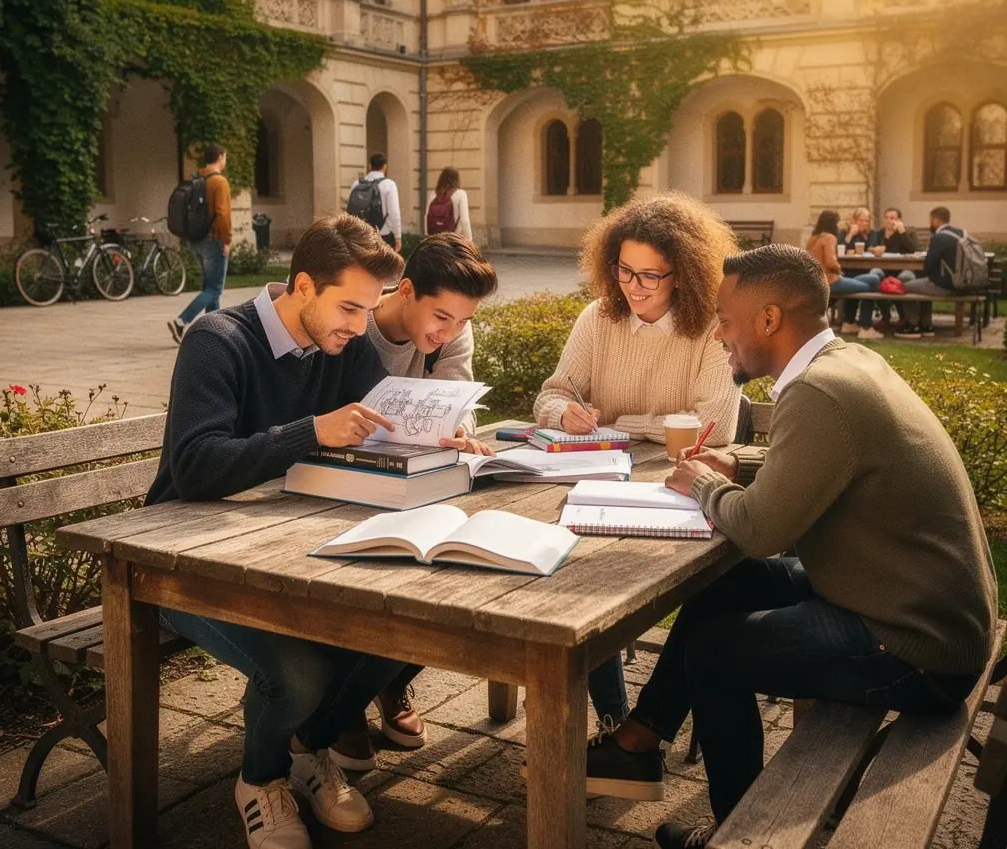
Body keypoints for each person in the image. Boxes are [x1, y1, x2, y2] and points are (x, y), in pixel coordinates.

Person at [581, 244, 996, 849]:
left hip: (918, 648)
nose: (718, 335)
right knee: (721, 583)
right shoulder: (845, 363)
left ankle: (737, 835)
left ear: (769, 319)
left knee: (715, 652)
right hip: (908, 602)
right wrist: (740, 462)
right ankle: (640, 741)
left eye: (725, 320)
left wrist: (705, 484)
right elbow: (823, 458)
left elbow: (759, 531)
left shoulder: (818, 393)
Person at [149, 214, 411, 849]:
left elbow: (388, 420)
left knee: (397, 635)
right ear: (304, 286)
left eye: (368, 309)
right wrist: (312, 431)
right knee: (297, 676)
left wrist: (437, 434)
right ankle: (261, 780)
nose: (360, 327)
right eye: (349, 307)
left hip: (281, 551)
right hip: (176, 563)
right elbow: (195, 467)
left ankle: (306, 750)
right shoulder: (217, 340)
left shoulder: (342, 344)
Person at [533, 192, 741, 730]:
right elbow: (551, 394)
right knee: (570, 567)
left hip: (675, 489)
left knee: (592, 576)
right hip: (598, 481)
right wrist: (564, 413)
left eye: (651, 275)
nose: (634, 287)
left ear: (684, 274)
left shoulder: (710, 330)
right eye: (625, 271)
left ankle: (620, 727)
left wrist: (618, 422)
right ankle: (615, 723)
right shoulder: (597, 319)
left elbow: (715, 424)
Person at [330, 232, 499, 769]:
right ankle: (341, 703)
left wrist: (460, 430)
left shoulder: (453, 336)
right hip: (344, 483)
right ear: (405, 291)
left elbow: (457, 399)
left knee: (459, 564)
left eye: (464, 320)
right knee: (360, 575)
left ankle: (390, 677)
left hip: (414, 481)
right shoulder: (355, 329)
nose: (450, 332)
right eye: (442, 317)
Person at [168, 143, 232, 345]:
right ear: (220, 157)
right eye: (225, 156)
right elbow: (222, 214)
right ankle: (181, 321)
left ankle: (213, 332)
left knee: (209, 287)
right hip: (214, 239)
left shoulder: (198, 179)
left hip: (197, 240)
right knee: (214, 289)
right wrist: (227, 239)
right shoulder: (219, 182)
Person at [806, 210, 884, 340]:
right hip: (831, 282)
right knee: (874, 282)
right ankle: (866, 328)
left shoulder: (813, 238)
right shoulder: (829, 237)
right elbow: (831, 262)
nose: (838, 225)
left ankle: (849, 323)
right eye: (837, 222)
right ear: (832, 223)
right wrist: (839, 270)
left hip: (817, 282)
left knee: (871, 278)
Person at [895, 205, 961, 339]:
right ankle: (927, 325)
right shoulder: (960, 233)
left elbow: (928, 266)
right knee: (924, 283)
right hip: (963, 283)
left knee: (905, 287)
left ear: (936, 220)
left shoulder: (939, 237)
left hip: (947, 286)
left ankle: (913, 325)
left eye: (930, 220)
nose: (929, 223)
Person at [835, 206, 882, 337]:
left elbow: (872, 247)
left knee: (873, 277)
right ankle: (864, 326)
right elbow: (841, 248)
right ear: (854, 220)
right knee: (871, 283)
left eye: (867, 221)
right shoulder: (845, 232)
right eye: (861, 220)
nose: (864, 223)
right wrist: (851, 234)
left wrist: (875, 250)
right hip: (849, 271)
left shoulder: (872, 233)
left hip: (866, 270)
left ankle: (849, 322)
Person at [869, 206, 918, 327]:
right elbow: (869, 247)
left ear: (899, 220)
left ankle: (904, 316)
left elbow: (914, 249)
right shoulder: (878, 233)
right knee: (875, 275)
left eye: (892, 218)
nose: (888, 220)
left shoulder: (908, 232)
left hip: (902, 268)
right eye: (886, 218)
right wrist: (873, 250)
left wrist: (902, 232)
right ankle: (885, 315)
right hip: (884, 269)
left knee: (903, 278)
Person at [366, 152, 402, 252]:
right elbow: (394, 212)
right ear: (385, 167)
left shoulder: (358, 184)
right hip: (383, 235)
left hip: (362, 236)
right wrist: (398, 237)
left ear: (369, 166)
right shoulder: (389, 184)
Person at [425, 167, 472, 240]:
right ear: (457, 179)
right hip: (452, 239)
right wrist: (470, 240)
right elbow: (465, 220)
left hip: (435, 239)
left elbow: (426, 215)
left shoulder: (434, 193)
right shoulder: (461, 194)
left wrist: (427, 234)